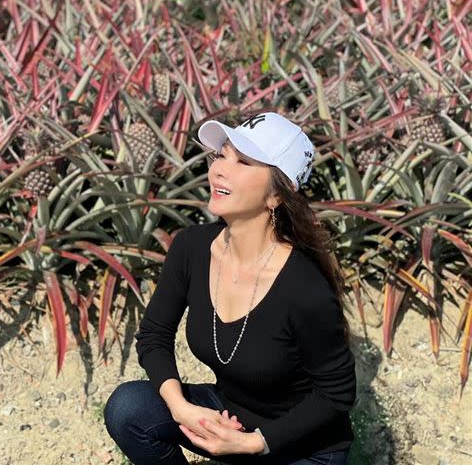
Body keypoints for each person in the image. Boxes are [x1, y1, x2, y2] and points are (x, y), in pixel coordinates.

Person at [103, 112, 357, 464]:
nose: (219, 169)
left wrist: (253, 444)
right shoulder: (191, 247)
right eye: (221, 154)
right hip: (228, 418)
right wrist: (181, 408)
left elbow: (336, 395)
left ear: (276, 196)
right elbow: (154, 334)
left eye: (243, 161)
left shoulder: (303, 286)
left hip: (303, 448)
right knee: (129, 407)